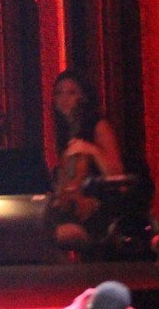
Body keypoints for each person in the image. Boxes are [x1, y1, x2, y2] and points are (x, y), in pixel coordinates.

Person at [48, 69, 125, 256]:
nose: (63, 98)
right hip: (73, 211)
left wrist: (92, 149)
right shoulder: (65, 134)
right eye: (59, 93)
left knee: (50, 234)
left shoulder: (99, 126)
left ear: (83, 97)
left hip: (99, 211)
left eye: (71, 93)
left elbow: (118, 177)